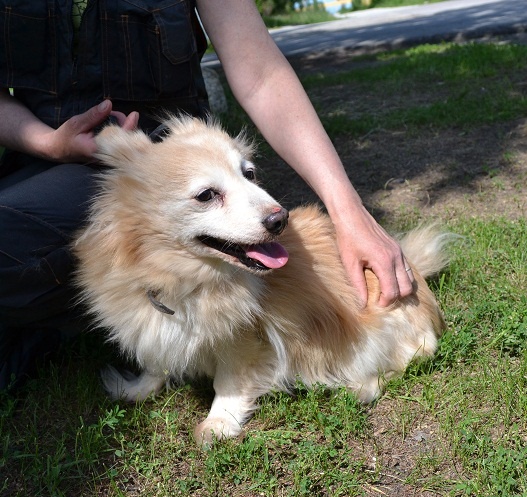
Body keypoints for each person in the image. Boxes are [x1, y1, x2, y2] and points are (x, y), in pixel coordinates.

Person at [0, 0, 415, 390]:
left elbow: (261, 74)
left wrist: (348, 210)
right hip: (43, 155)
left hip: (176, 152)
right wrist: (46, 142)